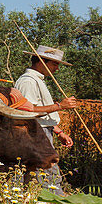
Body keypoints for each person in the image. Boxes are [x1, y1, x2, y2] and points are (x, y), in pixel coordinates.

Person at [13, 44, 80, 193]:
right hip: (35, 134)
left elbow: (41, 115)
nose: (57, 68)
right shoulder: (28, 81)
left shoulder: (37, 80)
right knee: (49, 174)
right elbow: (28, 112)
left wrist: (58, 132)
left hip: (42, 131)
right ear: (41, 61)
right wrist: (60, 106)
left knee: (29, 174)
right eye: (54, 63)